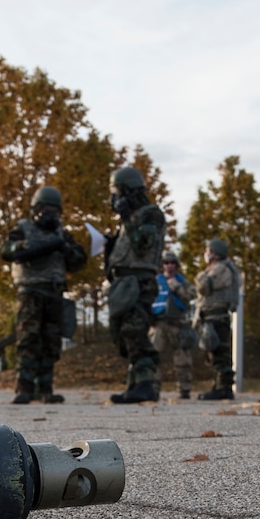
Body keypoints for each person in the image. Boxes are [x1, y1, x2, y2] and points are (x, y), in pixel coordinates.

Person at [0, 185, 87, 404]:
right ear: (36, 209)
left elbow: (79, 259)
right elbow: (7, 250)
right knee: (28, 339)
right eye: (46, 210)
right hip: (30, 292)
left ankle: (45, 388)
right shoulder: (23, 228)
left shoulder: (61, 234)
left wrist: (64, 248)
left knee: (51, 342)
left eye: (55, 211)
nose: (51, 215)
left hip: (54, 293)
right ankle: (25, 388)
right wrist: (34, 246)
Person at [102, 165, 166, 403]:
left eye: (117, 192)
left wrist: (127, 218)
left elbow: (143, 246)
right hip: (124, 281)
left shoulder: (151, 214)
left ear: (129, 191)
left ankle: (146, 383)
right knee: (122, 333)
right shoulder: (128, 220)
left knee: (134, 330)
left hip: (140, 281)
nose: (114, 199)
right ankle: (134, 384)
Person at [194, 237, 241, 400]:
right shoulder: (220, 268)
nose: (206, 254)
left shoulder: (221, 269)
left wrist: (200, 275)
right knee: (213, 352)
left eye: (208, 251)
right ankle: (218, 385)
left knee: (219, 352)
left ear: (215, 253)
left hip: (217, 316)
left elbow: (204, 286)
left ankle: (224, 387)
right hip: (211, 316)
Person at [150, 245, 197, 398]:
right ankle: (153, 388)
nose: (169, 265)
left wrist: (177, 288)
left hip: (177, 323)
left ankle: (185, 389)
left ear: (176, 265)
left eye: (172, 263)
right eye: (166, 262)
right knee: (153, 356)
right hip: (158, 322)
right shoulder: (155, 281)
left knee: (182, 357)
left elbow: (191, 296)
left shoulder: (182, 281)